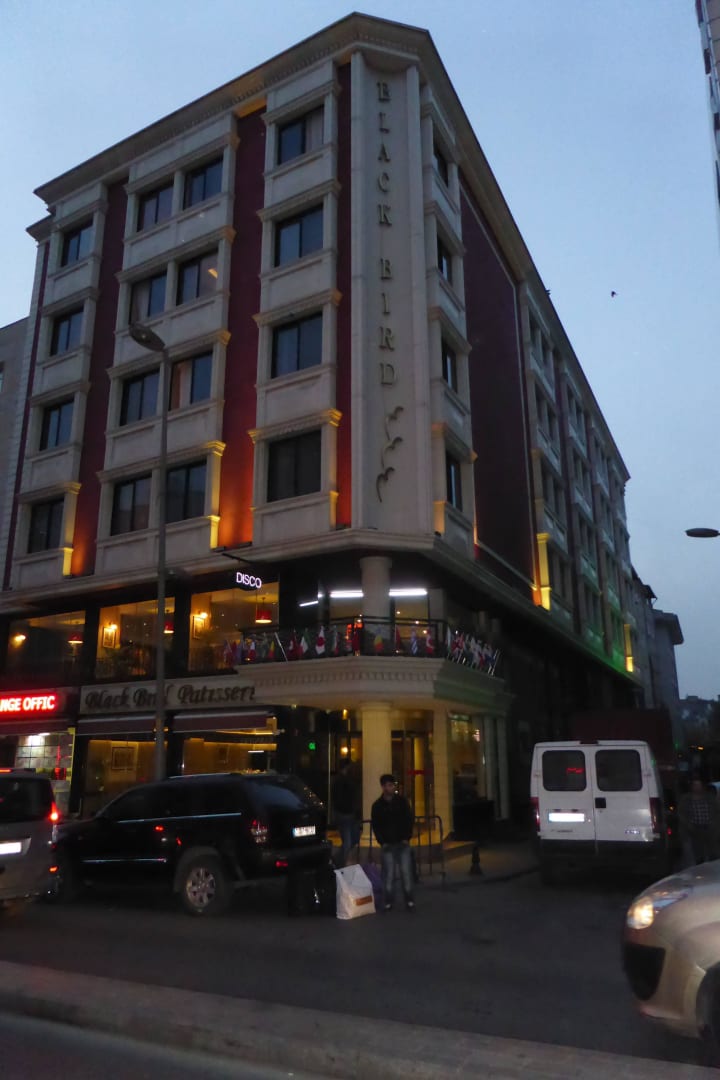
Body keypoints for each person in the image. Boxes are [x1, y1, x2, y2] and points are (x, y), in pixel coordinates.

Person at [370, 773, 415, 912]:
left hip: (402, 842)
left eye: (391, 785)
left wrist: (406, 837)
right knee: (389, 874)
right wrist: (382, 842)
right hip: (388, 844)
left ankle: (409, 899)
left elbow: (408, 820)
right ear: (383, 787)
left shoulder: (401, 802)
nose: (389, 788)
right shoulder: (377, 806)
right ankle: (389, 900)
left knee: (406, 873)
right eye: (387, 785)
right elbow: (376, 826)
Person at [678, 776, 719, 867]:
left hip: (709, 829)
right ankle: (700, 869)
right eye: (695, 785)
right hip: (694, 829)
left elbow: (717, 812)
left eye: (699, 785)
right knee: (698, 853)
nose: (697, 787)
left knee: (713, 853)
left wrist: (714, 825)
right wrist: (688, 825)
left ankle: (713, 869)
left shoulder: (710, 798)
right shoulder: (686, 799)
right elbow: (681, 814)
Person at [331, 761, 361, 867]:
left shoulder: (349, 779)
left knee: (353, 840)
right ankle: (339, 863)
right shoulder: (340, 781)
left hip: (350, 813)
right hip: (344, 814)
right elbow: (339, 799)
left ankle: (337, 860)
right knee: (348, 842)